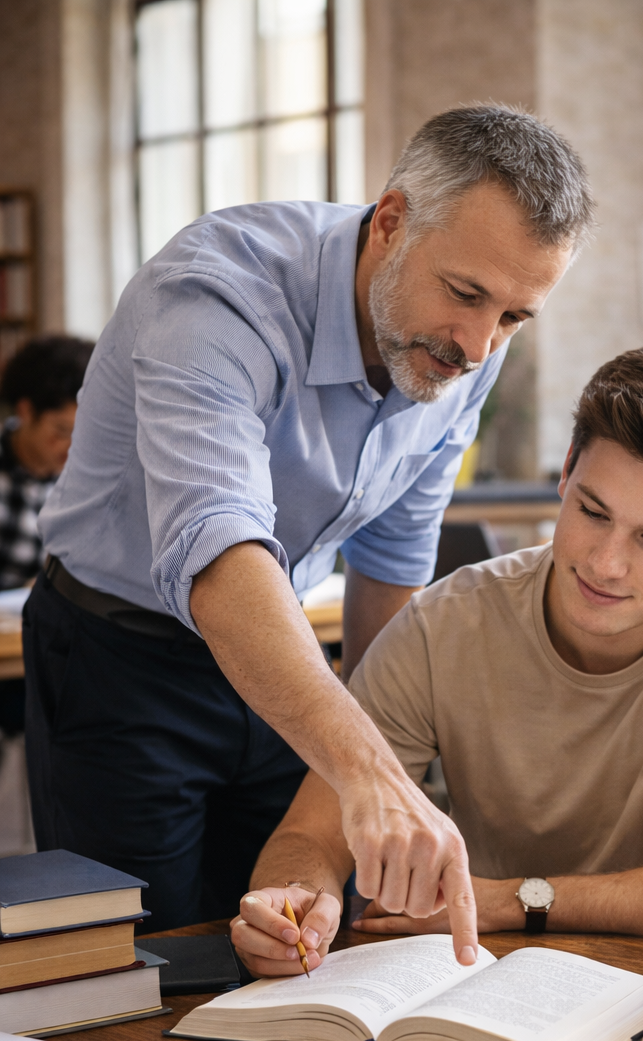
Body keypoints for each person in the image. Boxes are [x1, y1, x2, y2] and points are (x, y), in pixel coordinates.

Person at [25, 105, 592, 943]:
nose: (478, 346)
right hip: (123, 661)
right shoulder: (218, 293)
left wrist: (383, 760)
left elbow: (394, 562)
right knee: (149, 966)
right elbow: (217, 551)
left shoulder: (464, 343)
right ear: (391, 222)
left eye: (513, 316)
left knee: (291, 939)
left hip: (291, 663)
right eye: (466, 295)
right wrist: (368, 774)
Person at [230, 339, 643, 977]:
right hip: (488, 984)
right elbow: (311, 836)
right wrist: (292, 903)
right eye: (592, 511)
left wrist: (516, 900)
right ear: (568, 470)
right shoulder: (444, 624)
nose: (605, 564)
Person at [0, 335, 93, 735]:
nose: (70, 447)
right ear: (26, 411)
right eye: (60, 430)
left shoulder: (86, 477)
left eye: (83, 433)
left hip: (53, 640)